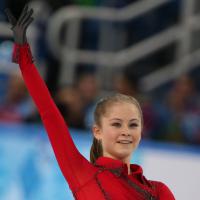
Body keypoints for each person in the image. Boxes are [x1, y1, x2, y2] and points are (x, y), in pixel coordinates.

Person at [5, 5, 175, 199]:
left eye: (133, 124)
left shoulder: (158, 191)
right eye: (117, 124)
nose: (126, 131)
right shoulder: (81, 174)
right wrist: (24, 56)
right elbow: (49, 113)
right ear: (97, 131)